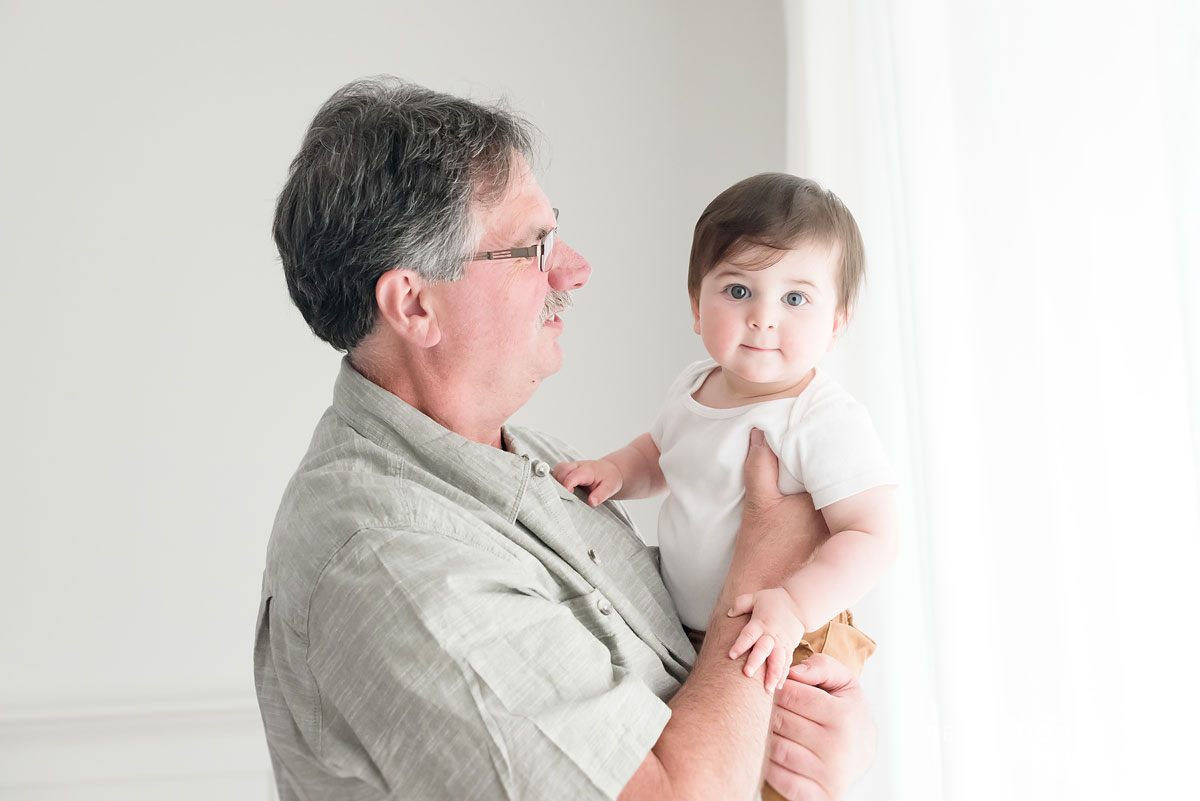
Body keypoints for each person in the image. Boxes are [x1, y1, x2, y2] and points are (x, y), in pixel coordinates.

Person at [255, 76, 875, 801]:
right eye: (532, 247)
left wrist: (827, 732)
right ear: (415, 303)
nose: (574, 270)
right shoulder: (394, 560)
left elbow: (686, 683)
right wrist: (766, 556)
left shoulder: (528, 461)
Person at [554, 174, 898, 702]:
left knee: (776, 767)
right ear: (696, 306)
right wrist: (620, 470)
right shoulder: (694, 386)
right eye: (739, 291)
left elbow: (872, 535)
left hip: (791, 636)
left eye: (795, 298)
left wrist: (795, 605)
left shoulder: (821, 419)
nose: (763, 318)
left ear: (836, 324)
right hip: (690, 633)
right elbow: (661, 454)